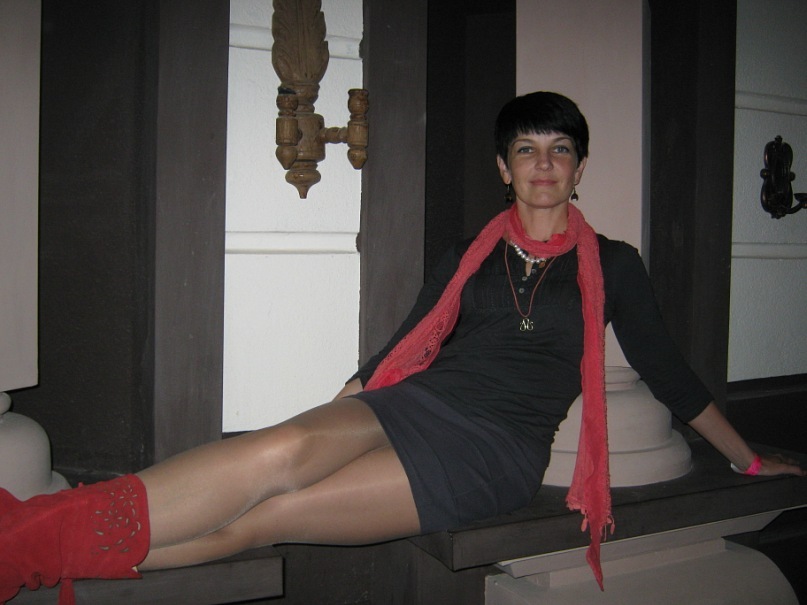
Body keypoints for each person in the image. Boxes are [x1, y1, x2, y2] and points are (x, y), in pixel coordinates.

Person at [1, 91, 804, 605]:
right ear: (503, 166)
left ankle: (45, 556)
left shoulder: (615, 264)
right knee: (279, 448)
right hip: (416, 401)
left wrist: (747, 460)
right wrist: (342, 404)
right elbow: (402, 345)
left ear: (578, 166)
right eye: (527, 149)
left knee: (267, 518)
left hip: (492, 449)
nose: (543, 164)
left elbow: (668, 373)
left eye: (559, 149)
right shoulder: (468, 253)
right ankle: (28, 540)